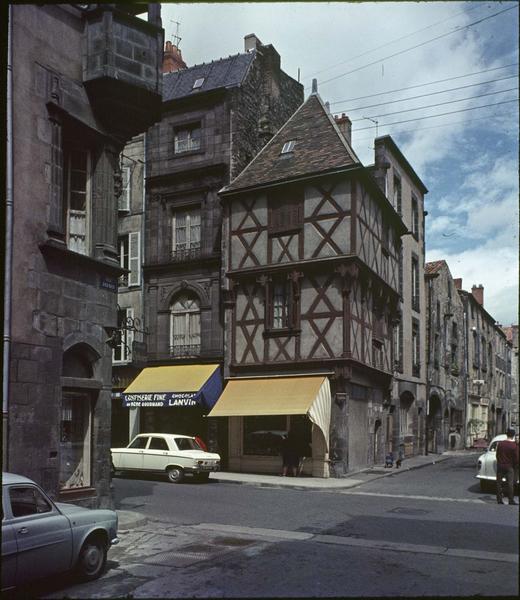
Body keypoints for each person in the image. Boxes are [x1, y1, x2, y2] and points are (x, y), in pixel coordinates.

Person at [496, 428, 519, 505]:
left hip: (500, 465)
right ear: (513, 435)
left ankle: (499, 499)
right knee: (510, 484)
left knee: (499, 483)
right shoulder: (514, 446)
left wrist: (500, 461)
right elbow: (516, 459)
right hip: (509, 466)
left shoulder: (500, 443)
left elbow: (497, 455)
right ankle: (510, 500)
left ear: (507, 434)